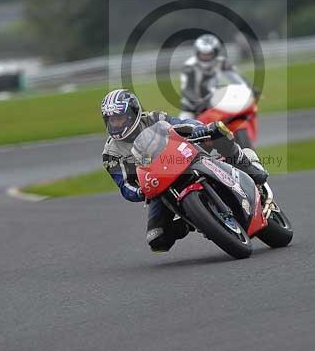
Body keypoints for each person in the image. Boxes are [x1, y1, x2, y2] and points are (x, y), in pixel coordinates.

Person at [101, 88, 268, 252]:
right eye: (111, 120)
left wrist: (198, 129)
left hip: (185, 156)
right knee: (157, 239)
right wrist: (140, 191)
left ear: (133, 113)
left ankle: (246, 163)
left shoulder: (154, 117)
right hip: (158, 184)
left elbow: (179, 123)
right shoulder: (111, 153)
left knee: (216, 132)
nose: (115, 124)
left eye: (119, 118)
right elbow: (124, 184)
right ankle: (194, 219)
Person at [179, 33, 247, 119]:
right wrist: (198, 100)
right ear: (197, 53)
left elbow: (237, 77)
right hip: (193, 107)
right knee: (184, 126)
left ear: (216, 52)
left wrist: (248, 88)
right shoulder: (189, 66)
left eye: (209, 54)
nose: (206, 57)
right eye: (203, 54)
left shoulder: (222, 62)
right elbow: (187, 89)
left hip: (218, 103)